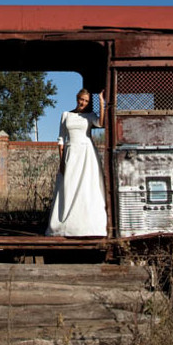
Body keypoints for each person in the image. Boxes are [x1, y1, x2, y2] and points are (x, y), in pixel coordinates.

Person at [46, 89, 107, 237]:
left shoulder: (90, 116)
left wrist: (101, 101)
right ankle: (65, 225)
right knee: (68, 185)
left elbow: (100, 123)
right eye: (81, 100)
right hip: (71, 152)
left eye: (86, 101)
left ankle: (88, 226)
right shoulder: (66, 115)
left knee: (87, 186)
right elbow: (61, 139)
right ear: (77, 98)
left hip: (86, 153)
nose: (83, 103)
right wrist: (62, 160)